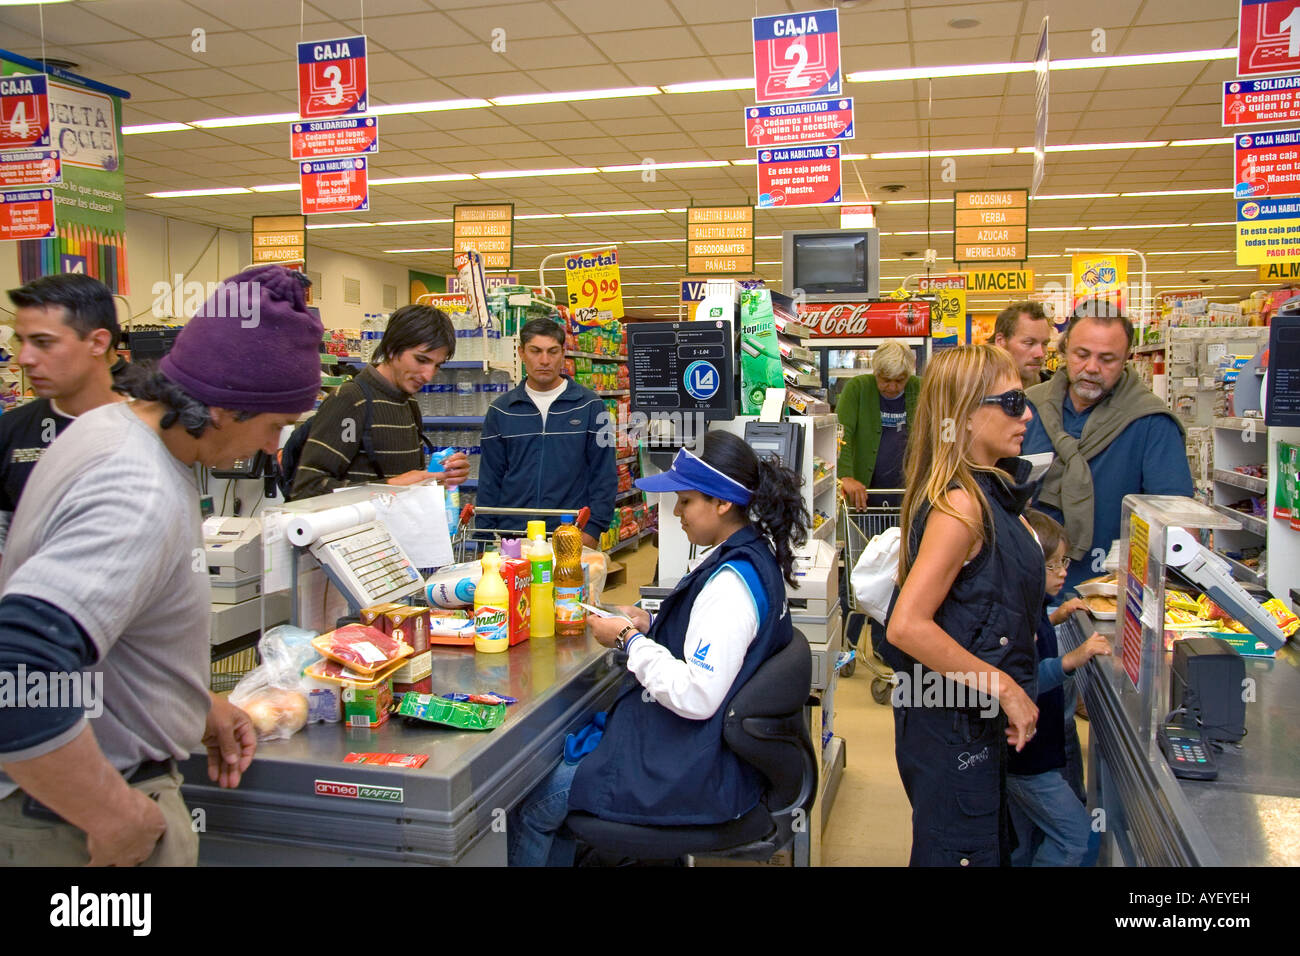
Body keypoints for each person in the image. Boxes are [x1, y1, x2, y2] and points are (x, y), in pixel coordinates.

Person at [0, 265, 323, 866]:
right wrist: (113, 815)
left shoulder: (111, 427)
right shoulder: (137, 489)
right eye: (275, 426)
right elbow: (20, 668)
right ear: (225, 407)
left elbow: (110, 625)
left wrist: (188, 701)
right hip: (72, 821)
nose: (274, 449)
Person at [507, 431, 808, 866]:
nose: (677, 512)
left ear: (722, 503)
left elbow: (697, 694)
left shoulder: (729, 587)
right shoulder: (751, 554)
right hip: (709, 749)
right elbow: (713, 640)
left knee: (533, 806)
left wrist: (629, 640)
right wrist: (652, 622)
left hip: (698, 766)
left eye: (685, 501)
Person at [885, 344, 1044, 867]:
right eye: (1013, 400)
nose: (1028, 413)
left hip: (966, 722)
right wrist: (1007, 690)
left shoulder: (988, 491)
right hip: (954, 729)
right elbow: (907, 626)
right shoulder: (961, 505)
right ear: (967, 413)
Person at [1023, 301, 1193, 593]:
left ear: (1127, 358)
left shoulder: (1151, 423)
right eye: (1082, 354)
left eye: (1107, 359)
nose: (1091, 367)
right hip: (1026, 589)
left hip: (1109, 594)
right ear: (1063, 351)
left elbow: (1176, 525)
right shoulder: (1029, 408)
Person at [1008, 509, 1112, 867]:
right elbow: (1025, 678)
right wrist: (1073, 658)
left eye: (1064, 561)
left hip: (1029, 757)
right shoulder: (1020, 617)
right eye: (1053, 565)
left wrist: (1057, 616)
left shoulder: (1032, 609)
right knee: (1078, 839)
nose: (1063, 571)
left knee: (1024, 842)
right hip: (1029, 762)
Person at [0, 274, 127, 556]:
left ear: (98, 343)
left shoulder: (155, 427)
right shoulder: (11, 431)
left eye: (43, 342)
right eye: (22, 342)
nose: (24, 358)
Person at [289, 303, 468, 500]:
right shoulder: (351, 400)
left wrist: (438, 478)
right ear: (391, 348)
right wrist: (391, 486)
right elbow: (307, 489)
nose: (428, 375)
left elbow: (406, 487)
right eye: (421, 360)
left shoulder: (409, 404)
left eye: (437, 365)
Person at [478, 317, 615, 547]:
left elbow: (604, 474)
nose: (544, 360)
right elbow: (490, 479)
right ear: (521, 353)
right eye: (535, 351)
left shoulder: (590, 406)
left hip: (571, 533)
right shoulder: (501, 411)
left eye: (552, 352)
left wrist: (593, 530)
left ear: (563, 353)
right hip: (513, 537)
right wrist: (483, 536)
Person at [836, 339, 920, 511]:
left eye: (900, 380)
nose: (892, 387)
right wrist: (845, 476)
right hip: (864, 498)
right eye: (885, 380)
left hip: (910, 496)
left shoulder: (920, 388)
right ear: (875, 372)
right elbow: (841, 433)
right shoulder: (857, 388)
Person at [989, 301, 1053, 389]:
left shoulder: (1056, 394)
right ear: (1001, 341)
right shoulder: (975, 392)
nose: (1040, 354)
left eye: (1045, 343)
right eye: (1029, 343)